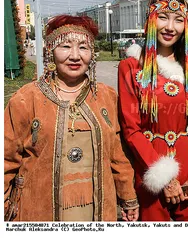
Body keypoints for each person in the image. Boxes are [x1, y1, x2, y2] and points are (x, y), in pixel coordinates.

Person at [4, 15, 139, 221]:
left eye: (83, 48)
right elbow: (6, 159)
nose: (75, 56)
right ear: (50, 51)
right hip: (39, 210)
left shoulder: (106, 97)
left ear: (92, 54)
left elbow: (118, 155)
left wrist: (128, 196)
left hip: (99, 210)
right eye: (66, 46)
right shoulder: (26, 98)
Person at [118, 0, 188, 221]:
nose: (170, 27)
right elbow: (131, 130)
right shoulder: (131, 67)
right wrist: (166, 179)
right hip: (153, 172)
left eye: (178, 20)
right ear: (150, 19)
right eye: (163, 17)